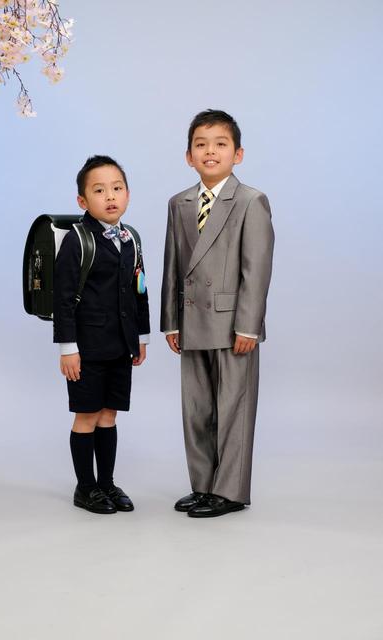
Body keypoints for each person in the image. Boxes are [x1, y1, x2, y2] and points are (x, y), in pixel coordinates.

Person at [161, 109, 274, 518]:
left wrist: (249, 326)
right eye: (201, 144)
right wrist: (170, 321)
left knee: (233, 409)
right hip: (192, 321)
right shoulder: (179, 203)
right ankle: (203, 486)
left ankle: (230, 492)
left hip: (232, 325)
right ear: (189, 156)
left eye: (221, 144)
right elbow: (173, 266)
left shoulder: (250, 201)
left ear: (237, 154)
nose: (210, 151)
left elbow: (256, 270)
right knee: (197, 409)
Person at [53, 155, 150, 514]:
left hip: (121, 345)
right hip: (87, 348)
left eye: (117, 188)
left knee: (109, 415)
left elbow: (139, 290)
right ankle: (86, 488)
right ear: (83, 200)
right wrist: (68, 348)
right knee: (87, 416)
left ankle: (107, 483)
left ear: (127, 194)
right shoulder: (78, 240)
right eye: (99, 190)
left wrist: (141, 337)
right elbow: (63, 299)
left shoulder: (131, 237)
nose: (110, 196)